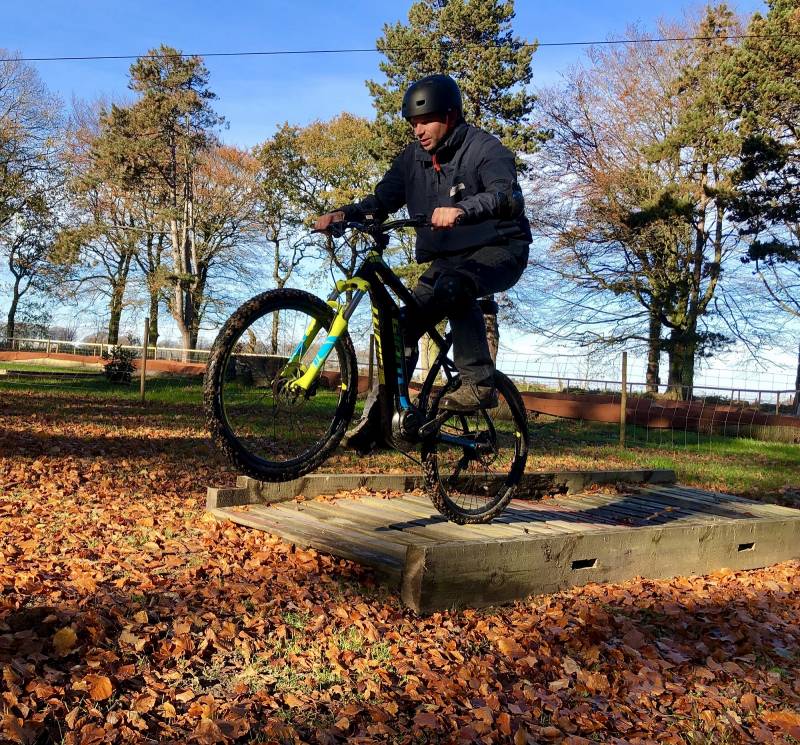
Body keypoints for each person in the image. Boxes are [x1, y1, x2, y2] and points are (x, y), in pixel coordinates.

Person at [314, 73, 531, 453]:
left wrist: (462, 210)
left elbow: (506, 195)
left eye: (425, 121)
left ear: (449, 116)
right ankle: (382, 422)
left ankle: (479, 382)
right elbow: (381, 202)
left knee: (454, 285)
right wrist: (344, 214)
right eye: (413, 123)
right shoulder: (412, 160)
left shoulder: (485, 149)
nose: (418, 131)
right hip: (448, 260)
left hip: (501, 249)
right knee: (398, 331)